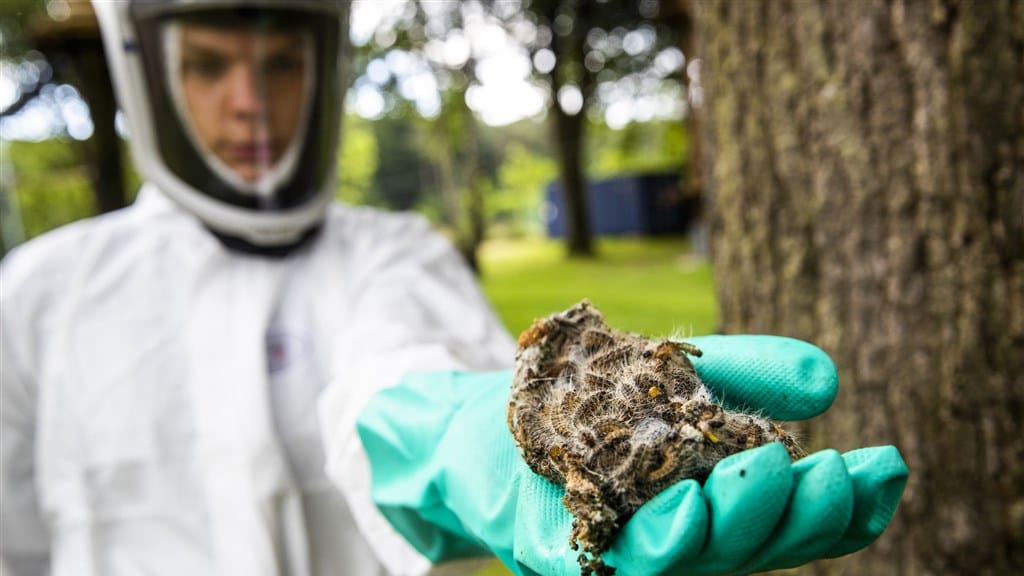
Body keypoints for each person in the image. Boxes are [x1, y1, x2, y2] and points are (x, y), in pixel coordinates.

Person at [0, 1, 907, 576]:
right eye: (208, 63)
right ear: (146, 66)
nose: (251, 101)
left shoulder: (397, 254)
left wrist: (457, 432)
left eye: (280, 61)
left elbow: (395, 372)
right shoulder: (39, 294)